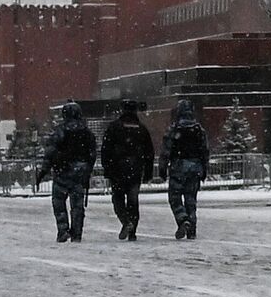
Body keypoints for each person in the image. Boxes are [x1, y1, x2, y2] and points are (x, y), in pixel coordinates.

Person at [99, 100, 155, 241]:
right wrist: (148, 172)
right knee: (133, 201)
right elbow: (149, 152)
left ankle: (125, 221)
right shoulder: (141, 129)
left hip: (118, 170)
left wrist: (108, 168)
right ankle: (132, 230)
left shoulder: (114, 127)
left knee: (118, 199)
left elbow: (106, 149)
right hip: (136, 170)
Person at [40, 102, 95, 243]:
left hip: (62, 172)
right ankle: (77, 233)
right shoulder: (87, 132)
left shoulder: (60, 131)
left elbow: (50, 152)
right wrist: (88, 169)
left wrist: (44, 170)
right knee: (77, 205)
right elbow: (92, 153)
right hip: (80, 173)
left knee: (59, 203)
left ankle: (63, 230)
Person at [160, 100, 209, 240]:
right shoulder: (199, 130)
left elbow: (165, 151)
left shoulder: (174, 129)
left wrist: (163, 169)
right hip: (195, 167)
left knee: (174, 197)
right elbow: (205, 151)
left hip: (178, 167)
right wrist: (204, 168)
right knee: (191, 199)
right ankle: (192, 228)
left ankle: (182, 219)